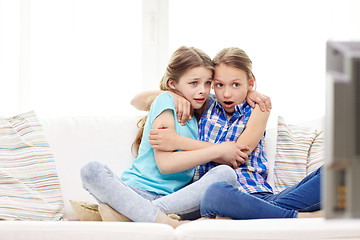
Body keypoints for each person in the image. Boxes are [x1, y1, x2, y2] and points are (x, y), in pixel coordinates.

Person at [80, 46, 250, 228]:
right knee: (92, 170)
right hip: (137, 193)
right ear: (172, 84)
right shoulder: (166, 101)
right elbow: (166, 165)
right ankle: (163, 221)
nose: (202, 90)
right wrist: (217, 149)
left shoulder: (202, 110)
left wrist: (251, 93)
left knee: (226, 174)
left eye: (208, 83)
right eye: (194, 83)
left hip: (177, 201)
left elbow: (231, 95)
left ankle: (138, 215)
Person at [144, 47, 322, 219]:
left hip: (258, 195)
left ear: (250, 82)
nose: (227, 94)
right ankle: (298, 217)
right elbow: (137, 101)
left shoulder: (258, 108)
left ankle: (266, 213)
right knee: (216, 192)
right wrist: (171, 93)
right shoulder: (205, 104)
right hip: (216, 197)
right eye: (220, 85)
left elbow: (236, 154)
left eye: (236, 84)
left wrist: (178, 142)